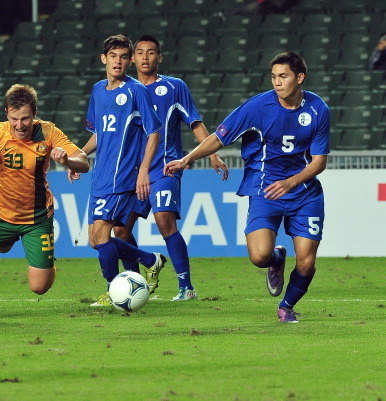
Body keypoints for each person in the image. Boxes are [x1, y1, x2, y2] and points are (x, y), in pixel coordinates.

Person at [165, 51, 329, 323]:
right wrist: (187, 158)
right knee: (259, 256)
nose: (277, 82)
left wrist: (291, 182)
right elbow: (219, 138)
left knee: (307, 261)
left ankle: (286, 306)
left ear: (300, 78)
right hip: (265, 190)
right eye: (274, 76)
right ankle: (276, 258)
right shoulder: (256, 107)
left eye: (283, 76)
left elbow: (319, 161)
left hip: (304, 193)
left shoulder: (318, 109)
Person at [110, 35, 229, 301]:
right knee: (120, 230)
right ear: (131, 59)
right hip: (131, 172)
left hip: (165, 167)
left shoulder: (174, 87)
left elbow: (194, 122)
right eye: (139, 53)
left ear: (159, 57)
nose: (144, 57)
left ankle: (186, 287)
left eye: (150, 53)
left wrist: (211, 154)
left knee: (165, 222)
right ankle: (137, 282)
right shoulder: (122, 90)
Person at [0, 84, 89, 295]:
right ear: (6, 112)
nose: (19, 125)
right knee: (1, 247)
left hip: (37, 218)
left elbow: (83, 162)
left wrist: (68, 160)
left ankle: (48, 261)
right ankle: (13, 239)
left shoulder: (48, 131)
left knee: (39, 287)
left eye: (25, 118)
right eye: (14, 118)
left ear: (35, 113)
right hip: (0, 212)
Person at [77, 35, 168, 307]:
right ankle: (150, 260)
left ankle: (113, 292)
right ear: (103, 59)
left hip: (122, 176)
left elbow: (154, 132)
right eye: (113, 56)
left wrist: (143, 171)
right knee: (96, 241)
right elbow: (98, 133)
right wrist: (79, 155)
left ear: (129, 61)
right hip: (100, 176)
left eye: (123, 57)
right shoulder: (97, 90)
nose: (118, 61)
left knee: (103, 236)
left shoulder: (136, 90)